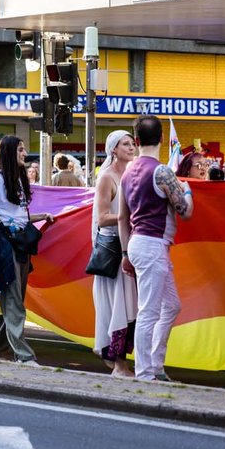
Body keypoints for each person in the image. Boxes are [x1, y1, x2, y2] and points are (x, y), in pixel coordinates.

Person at [118, 116, 193, 381]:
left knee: (170, 306)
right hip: (153, 245)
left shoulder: (127, 172)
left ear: (136, 141)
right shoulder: (162, 172)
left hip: (139, 244)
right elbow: (185, 212)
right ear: (162, 139)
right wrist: (188, 192)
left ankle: (155, 366)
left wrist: (126, 253)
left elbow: (121, 217)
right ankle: (145, 372)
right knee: (149, 311)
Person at [0, 135, 54, 365]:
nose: (24, 153)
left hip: (20, 246)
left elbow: (16, 215)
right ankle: (23, 355)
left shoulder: (18, 180)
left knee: (10, 301)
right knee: (13, 301)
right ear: (9, 153)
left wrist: (41, 216)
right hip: (5, 249)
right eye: (20, 150)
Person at [92, 130, 138, 377]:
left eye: (132, 143)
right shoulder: (106, 178)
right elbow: (101, 218)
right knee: (118, 307)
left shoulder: (132, 173)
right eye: (125, 144)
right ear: (113, 149)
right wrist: (129, 218)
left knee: (132, 306)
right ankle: (119, 364)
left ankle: (125, 362)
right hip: (113, 251)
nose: (131, 147)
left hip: (131, 246)